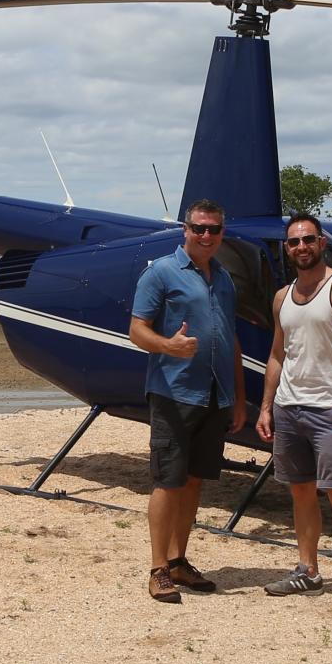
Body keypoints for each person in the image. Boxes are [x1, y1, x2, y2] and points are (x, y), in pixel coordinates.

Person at [255, 212, 332, 615]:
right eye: (294, 242)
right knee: (300, 492)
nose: (302, 247)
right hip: (289, 408)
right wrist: (266, 406)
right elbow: (278, 354)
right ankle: (308, 570)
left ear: (322, 243)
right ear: (286, 248)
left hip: (330, 410)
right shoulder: (282, 297)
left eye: (308, 239)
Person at [127, 199, 245, 603]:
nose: (206, 235)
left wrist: (238, 398)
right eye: (199, 228)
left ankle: (178, 561)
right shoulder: (161, 272)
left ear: (222, 233)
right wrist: (168, 346)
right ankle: (158, 568)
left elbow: (231, 340)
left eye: (214, 229)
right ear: (185, 230)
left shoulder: (224, 278)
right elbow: (137, 330)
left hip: (214, 395)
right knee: (168, 480)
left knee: (194, 480)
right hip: (173, 393)